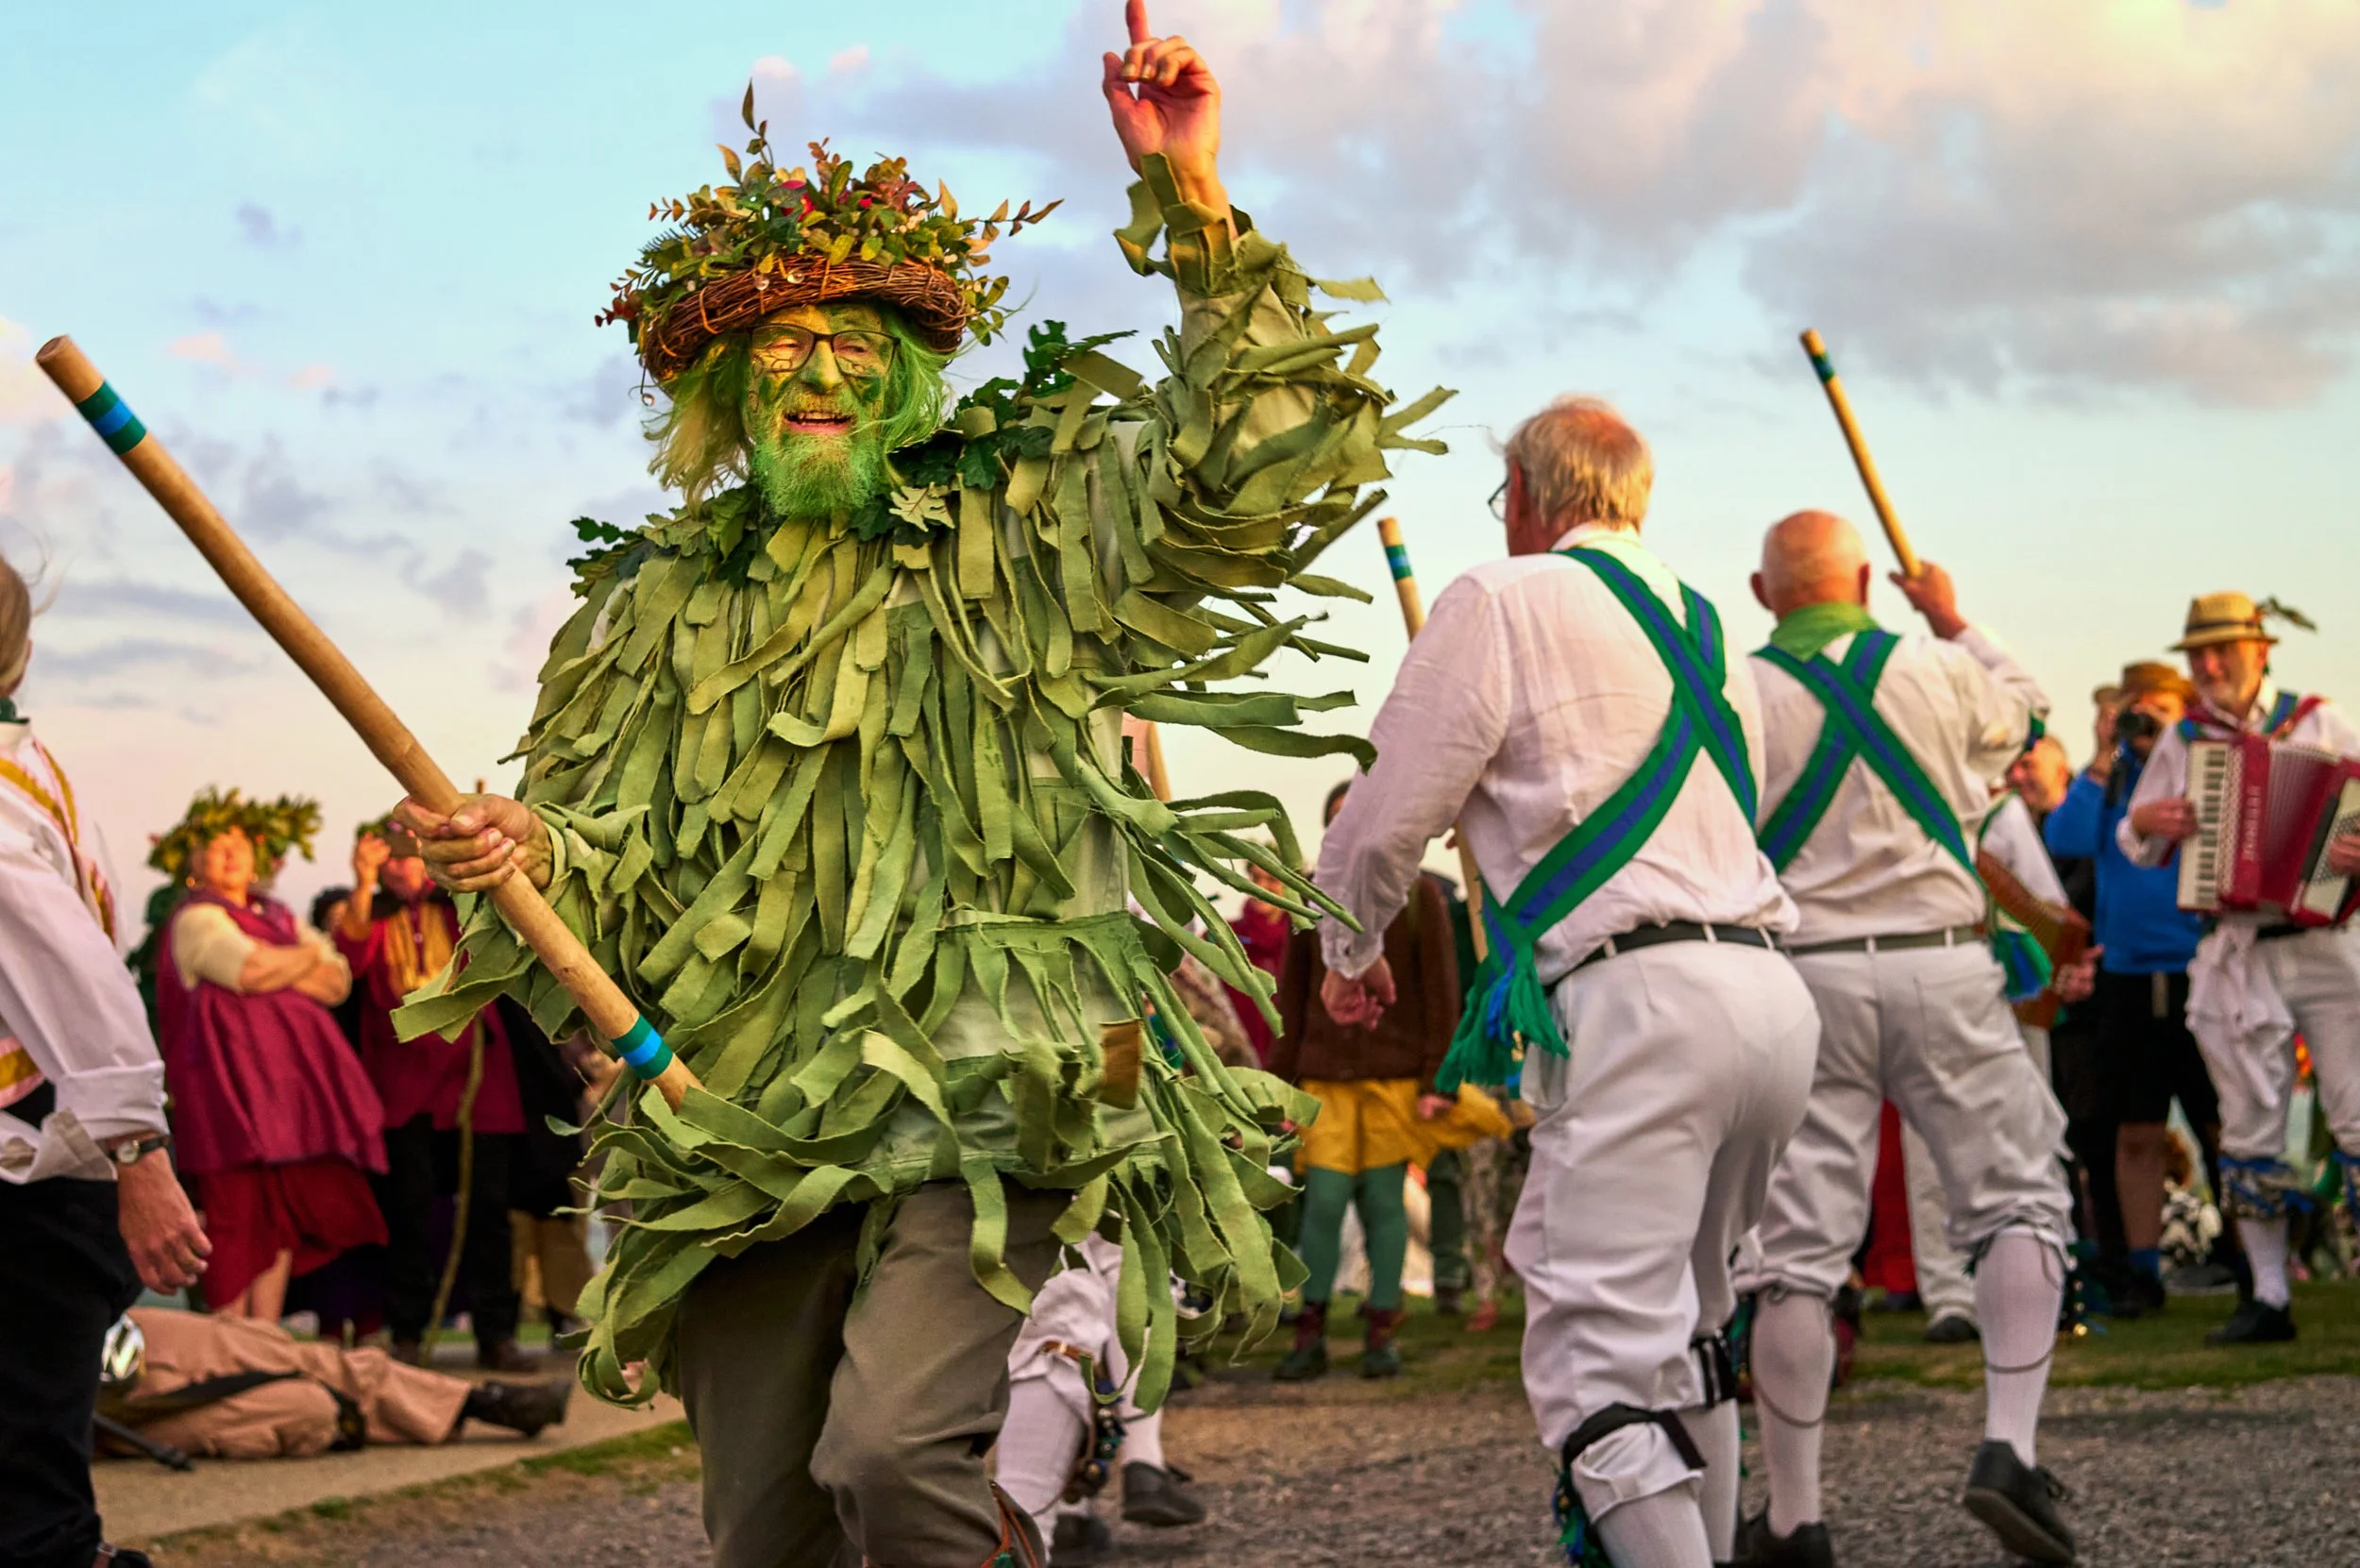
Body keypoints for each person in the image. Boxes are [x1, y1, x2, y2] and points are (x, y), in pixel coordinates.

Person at [392, 8, 1442, 1563]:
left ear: (908, 377)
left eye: (852, 348)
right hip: (741, 1120)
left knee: (893, 1456)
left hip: (986, 1103)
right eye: (783, 349)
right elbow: (622, 859)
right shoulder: (654, 608)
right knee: (770, 1529)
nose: (817, 372)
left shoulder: (1020, 534)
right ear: (728, 391)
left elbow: (1254, 469)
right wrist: (528, 839)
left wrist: (1194, 202)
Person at [1317, 397, 1816, 1568]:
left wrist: (1349, 948)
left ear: (1532, 500)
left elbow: (1388, 807)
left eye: (1505, 503)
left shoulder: (1501, 596)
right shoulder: (1710, 637)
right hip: (1765, 992)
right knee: (1690, 1330)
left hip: (1637, 1002)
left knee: (1593, 1364)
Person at [1737, 511, 2077, 1568]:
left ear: (1762, 592)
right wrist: (1955, 619)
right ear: (1867, 588)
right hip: (1942, 961)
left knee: (1794, 1248)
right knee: (2016, 1195)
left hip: (1807, 975)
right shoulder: (1936, 669)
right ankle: (2006, 1450)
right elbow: (2028, 717)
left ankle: (1794, 1517)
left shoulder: (1738, 689)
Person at [0, 554, 211, 1568]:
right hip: (47, 1168)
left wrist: (141, 1155)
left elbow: (77, 982)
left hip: (31, 1175)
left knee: (27, 1485)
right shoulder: (31, 764)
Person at [2117, 592, 2360, 1345]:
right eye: (2198, 653)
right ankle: (2268, 1294)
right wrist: (2143, 821)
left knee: (2357, 1110)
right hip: (2235, 949)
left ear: (2262, 649)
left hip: (2327, 939)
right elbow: (2138, 839)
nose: (2209, 664)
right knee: (2249, 1122)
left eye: (2222, 649)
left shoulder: (2321, 721)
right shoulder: (2184, 740)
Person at [1271, 776, 1488, 1381]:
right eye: (1338, 819)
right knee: (1325, 1203)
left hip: (1393, 1080)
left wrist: (1437, 1081)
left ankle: (1380, 1332)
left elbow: (1443, 996)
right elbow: (1290, 1000)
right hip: (1324, 1080)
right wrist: (1279, 1088)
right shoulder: (1308, 898)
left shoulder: (1418, 896)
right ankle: (1309, 1333)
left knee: (1386, 1206)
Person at [2046, 661, 2240, 1315]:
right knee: (2136, 1129)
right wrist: (2102, 756)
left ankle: (2247, 1257)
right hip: (2128, 974)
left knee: (2220, 1120)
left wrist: (2173, 738)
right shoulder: (2113, 780)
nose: (2144, 719)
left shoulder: (2202, 771)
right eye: (2135, 708)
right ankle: (2141, 1268)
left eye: (2159, 706)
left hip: (2199, 962)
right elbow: (2065, 837)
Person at [152, 790, 387, 1324]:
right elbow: (248, 971)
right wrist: (308, 953)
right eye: (215, 847)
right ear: (194, 862)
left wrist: (296, 961)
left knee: (278, 1218)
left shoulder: (275, 914)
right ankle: (229, 1342)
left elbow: (336, 982)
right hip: (227, 1096)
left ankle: (263, 1337)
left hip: (284, 1100)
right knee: (234, 1217)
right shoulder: (196, 919)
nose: (230, 855)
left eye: (239, 845)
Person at [1898, 743, 2082, 1346]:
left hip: (2007, 996)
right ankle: (1949, 1295)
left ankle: (2046, 1277)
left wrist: (2041, 949)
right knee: (1927, 1145)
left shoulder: (1998, 810)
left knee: (2030, 1132)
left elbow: (2050, 910)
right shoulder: (1888, 801)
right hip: (1923, 988)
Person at [337, 823, 534, 1371]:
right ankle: (406, 1332)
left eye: (411, 859)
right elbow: (349, 960)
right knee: (410, 1211)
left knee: (488, 1211)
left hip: (477, 1080)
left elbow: (513, 934)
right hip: (403, 1088)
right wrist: (361, 882)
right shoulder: (368, 914)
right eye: (391, 862)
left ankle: (497, 1336)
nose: (402, 869)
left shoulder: (464, 906)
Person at [98, 1307, 571, 1459]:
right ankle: (464, 1405)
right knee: (308, 1408)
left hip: (101, 1330)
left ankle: (481, 1402)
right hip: (78, 1413)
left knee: (278, 1351)